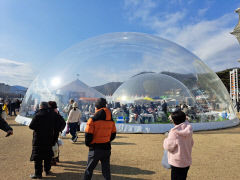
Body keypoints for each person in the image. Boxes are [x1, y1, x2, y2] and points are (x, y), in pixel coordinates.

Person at [84, 98, 116, 180]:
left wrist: (89, 144)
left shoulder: (92, 120)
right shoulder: (111, 120)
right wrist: (107, 140)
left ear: (96, 107)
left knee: (89, 170)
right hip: (107, 148)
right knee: (106, 171)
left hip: (95, 148)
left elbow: (88, 135)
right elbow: (113, 134)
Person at [29, 102, 60, 179]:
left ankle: (38, 174)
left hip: (38, 139)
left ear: (41, 107)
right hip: (49, 138)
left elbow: (31, 126)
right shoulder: (52, 114)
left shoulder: (38, 115)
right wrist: (55, 131)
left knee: (38, 157)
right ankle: (47, 170)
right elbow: (61, 122)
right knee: (47, 155)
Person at [163, 110, 194, 180]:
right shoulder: (189, 128)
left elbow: (168, 147)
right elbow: (192, 143)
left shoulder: (174, 132)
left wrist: (165, 140)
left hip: (177, 162)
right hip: (186, 161)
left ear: (174, 121)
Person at [48, 101, 66, 165]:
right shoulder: (57, 112)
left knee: (51, 146)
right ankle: (56, 158)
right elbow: (63, 123)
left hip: (50, 132)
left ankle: (52, 160)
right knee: (55, 145)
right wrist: (59, 129)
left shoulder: (49, 113)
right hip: (55, 132)